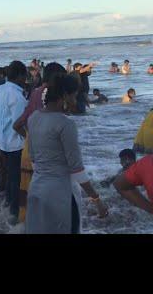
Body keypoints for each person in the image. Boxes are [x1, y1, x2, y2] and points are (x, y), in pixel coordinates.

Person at [26, 73, 108, 234]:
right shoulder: (65, 124)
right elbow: (76, 169)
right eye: (74, 95)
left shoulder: (34, 117)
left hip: (36, 189)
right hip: (61, 195)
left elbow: (33, 159)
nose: (75, 99)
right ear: (64, 95)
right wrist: (97, 199)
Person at [13, 62, 66, 223]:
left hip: (29, 152)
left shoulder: (35, 92)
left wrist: (31, 138)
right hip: (47, 155)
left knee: (29, 196)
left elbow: (17, 125)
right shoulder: (52, 95)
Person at [0, 61, 28, 223]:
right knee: (16, 180)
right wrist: (30, 141)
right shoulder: (16, 95)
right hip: (14, 144)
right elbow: (19, 124)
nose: (26, 79)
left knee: (8, 177)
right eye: (25, 76)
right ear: (19, 76)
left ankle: (7, 210)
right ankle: (14, 214)